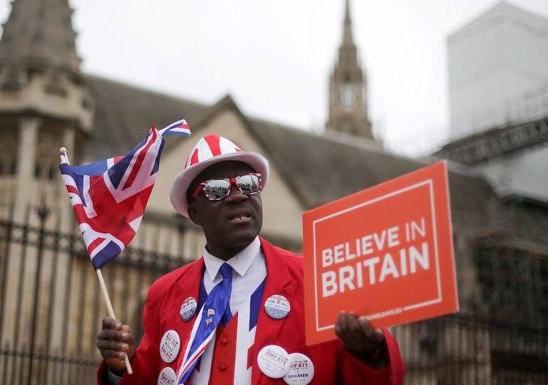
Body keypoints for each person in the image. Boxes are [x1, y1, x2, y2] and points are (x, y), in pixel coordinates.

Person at [96, 134, 405, 385]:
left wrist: (371, 355)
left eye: (248, 183)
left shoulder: (317, 280)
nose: (237, 195)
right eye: (217, 190)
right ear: (194, 212)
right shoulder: (164, 294)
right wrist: (118, 369)